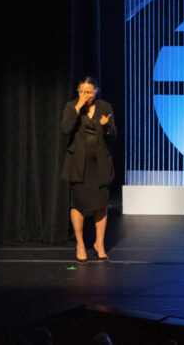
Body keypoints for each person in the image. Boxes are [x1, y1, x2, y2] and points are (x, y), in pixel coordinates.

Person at [61, 77, 116, 263]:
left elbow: (114, 135)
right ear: (78, 92)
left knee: (101, 204)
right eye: (83, 92)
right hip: (79, 165)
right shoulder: (71, 106)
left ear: (96, 92)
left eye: (89, 92)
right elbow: (65, 128)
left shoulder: (105, 107)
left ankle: (99, 244)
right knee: (78, 204)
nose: (86, 95)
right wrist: (78, 107)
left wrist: (106, 126)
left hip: (100, 163)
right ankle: (80, 244)